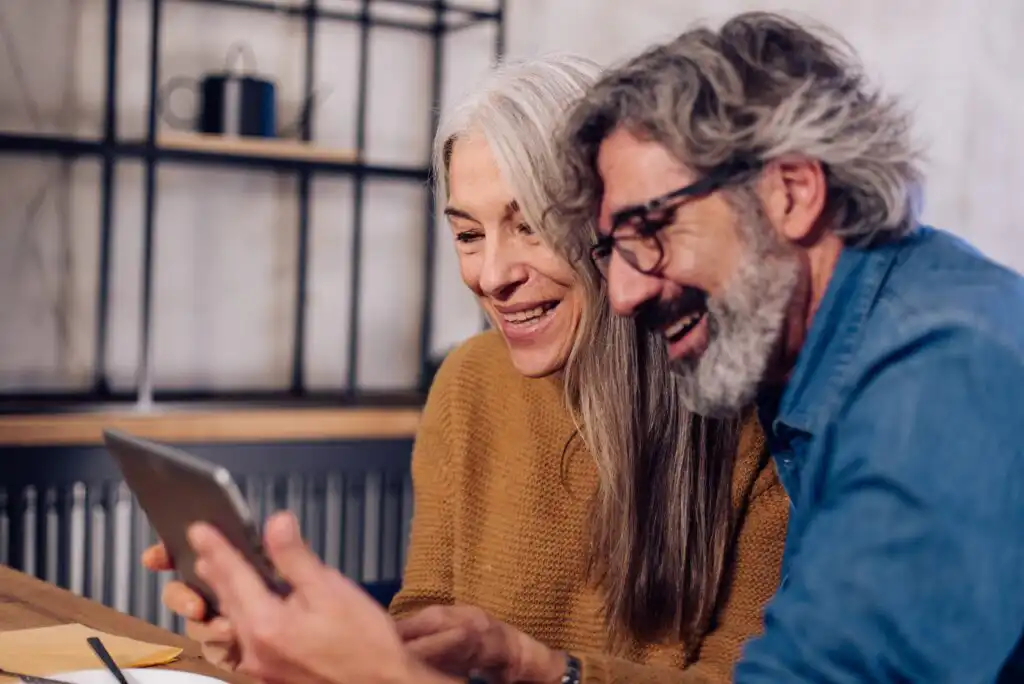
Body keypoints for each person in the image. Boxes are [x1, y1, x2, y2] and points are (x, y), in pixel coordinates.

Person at [142, 55, 788, 683]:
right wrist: (294, 648)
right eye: (469, 235)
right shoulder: (468, 382)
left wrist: (535, 666)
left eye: (530, 225)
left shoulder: (752, 415)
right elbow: (427, 617)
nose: (493, 276)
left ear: (617, 224)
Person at [548, 10, 1024, 682]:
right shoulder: (816, 360)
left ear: (792, 192)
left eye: (650, 229)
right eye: (613, 250)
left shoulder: (941, 369)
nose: (622, 294)